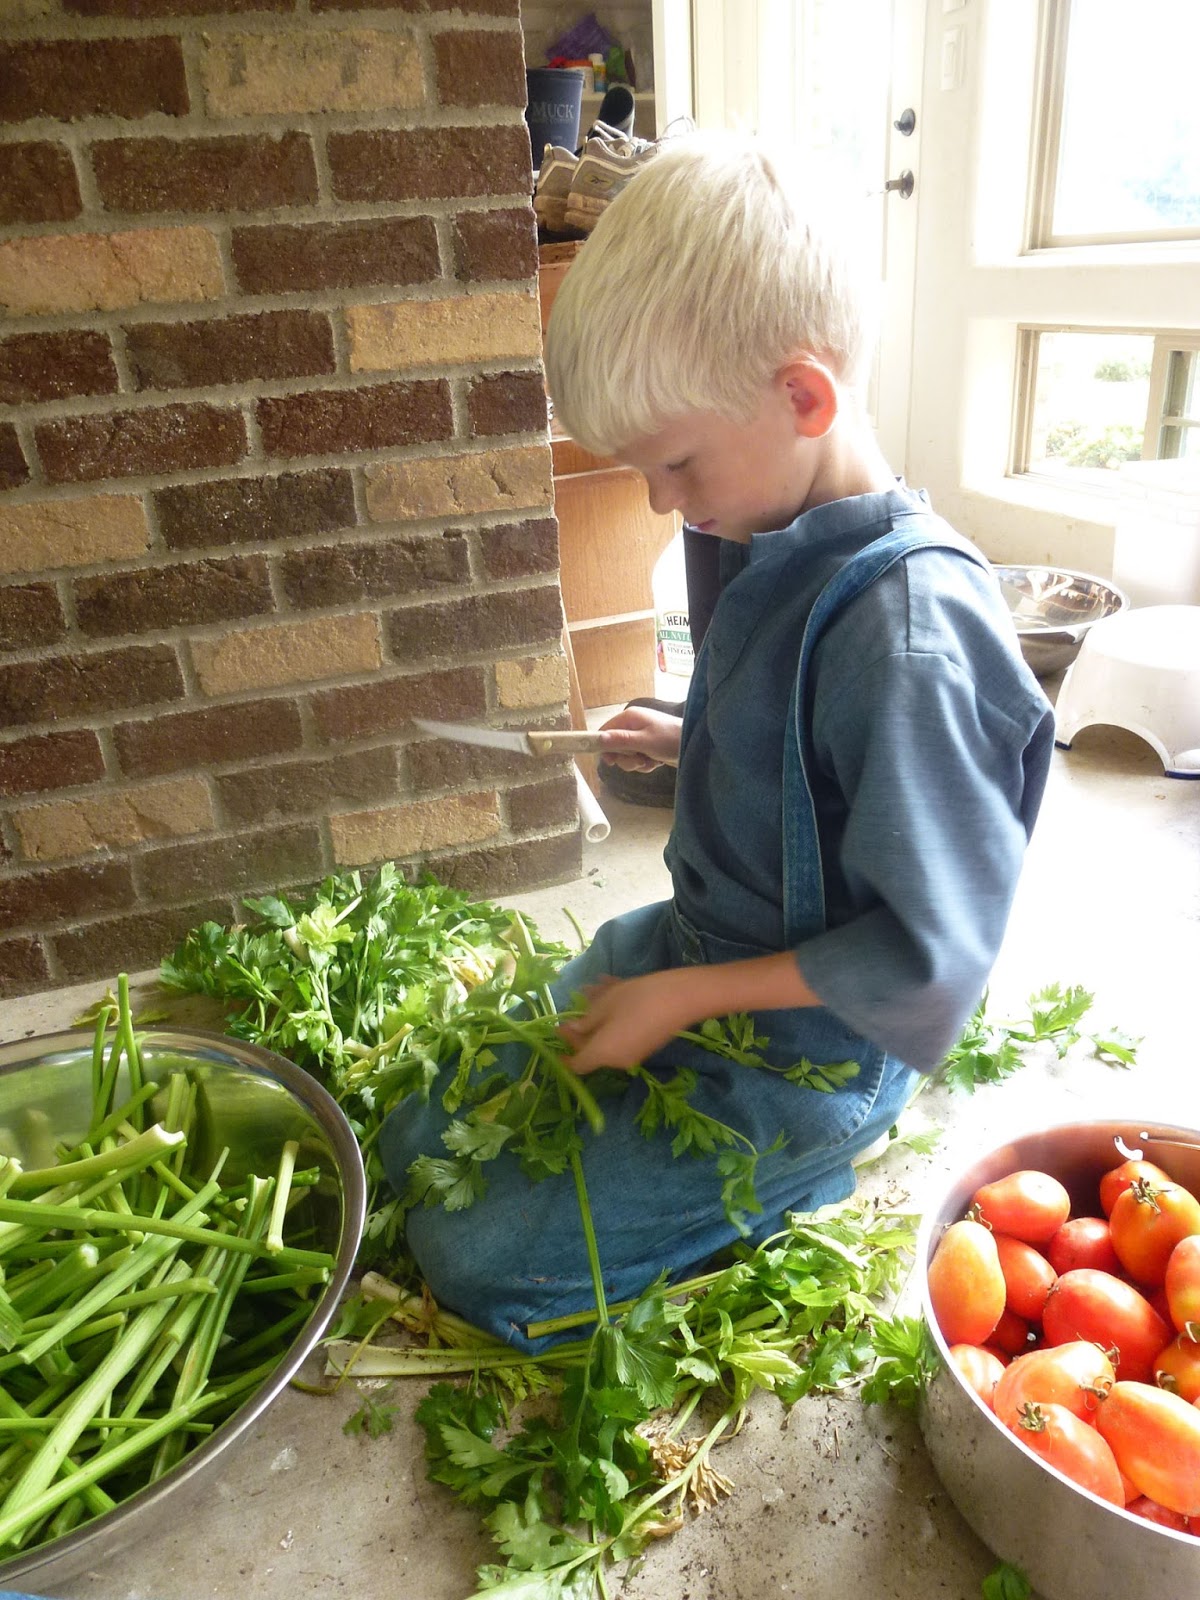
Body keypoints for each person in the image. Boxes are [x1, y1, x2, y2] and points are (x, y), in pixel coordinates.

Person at [382, 132, 1055, 1350]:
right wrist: (693, 734)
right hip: (703, 942)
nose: (658, 499)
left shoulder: (911, 638)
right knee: (421, 1125)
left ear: (804, 396)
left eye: (674, 460)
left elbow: (928, 953)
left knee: (477, 1254)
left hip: (816, 1046)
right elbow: (819, 767)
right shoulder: (780, 531)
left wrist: (684, 998)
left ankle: (809, 1172)